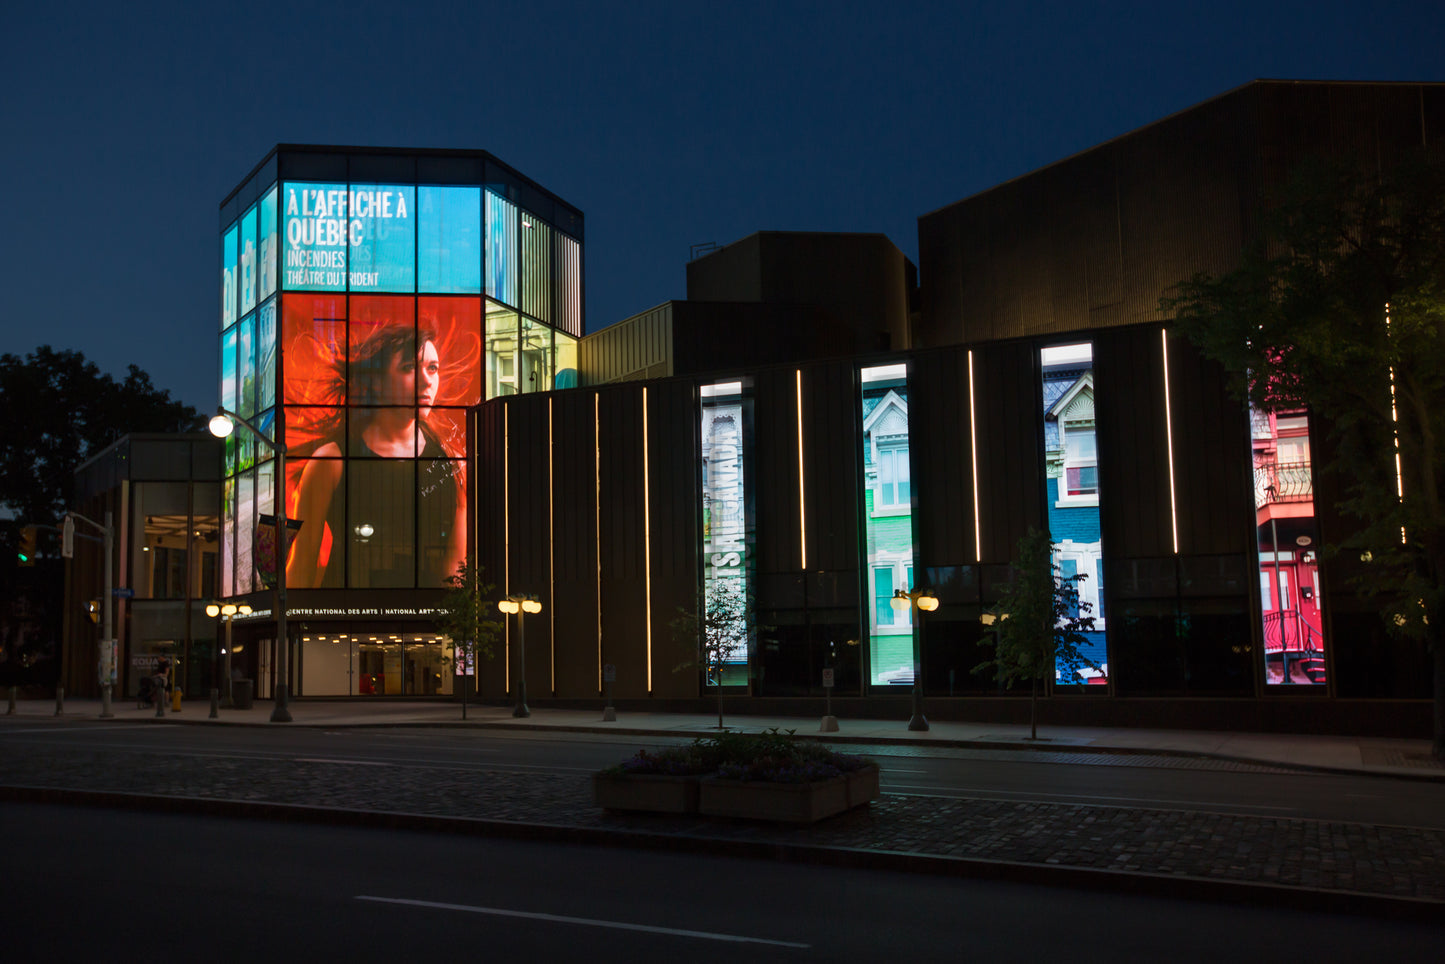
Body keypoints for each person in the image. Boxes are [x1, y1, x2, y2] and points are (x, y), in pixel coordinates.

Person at [287, 325, 467, 589]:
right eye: (409, 367)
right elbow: (301, 568)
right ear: (376, 382)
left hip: (429, 611)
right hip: (345, 609)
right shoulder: (331, 461)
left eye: (433, 368)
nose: (427, 381)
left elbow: (455, 570)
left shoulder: (453, 463)